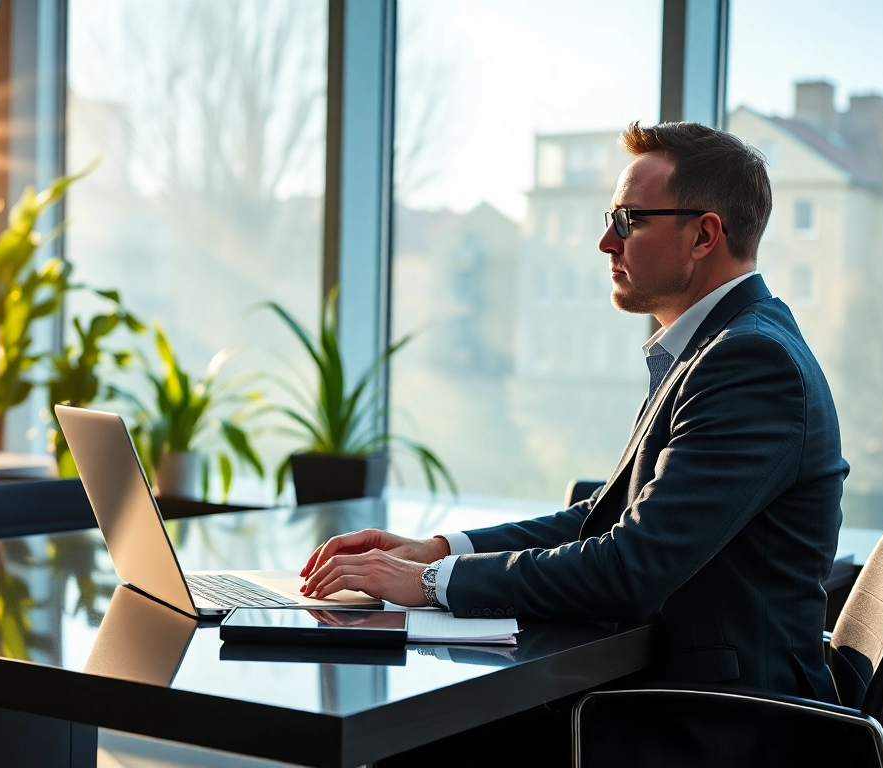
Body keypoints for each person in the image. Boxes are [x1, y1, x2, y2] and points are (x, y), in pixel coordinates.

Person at [302, 121, 848, 751]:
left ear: (703, 234)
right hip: (674, 698)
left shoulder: (750, 362)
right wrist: (434, 550)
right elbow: (605, 518)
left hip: (720, 728)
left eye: (627, 221)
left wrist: (429, 584)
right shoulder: (719, 348)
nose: (603, 242)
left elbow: (631, 567)